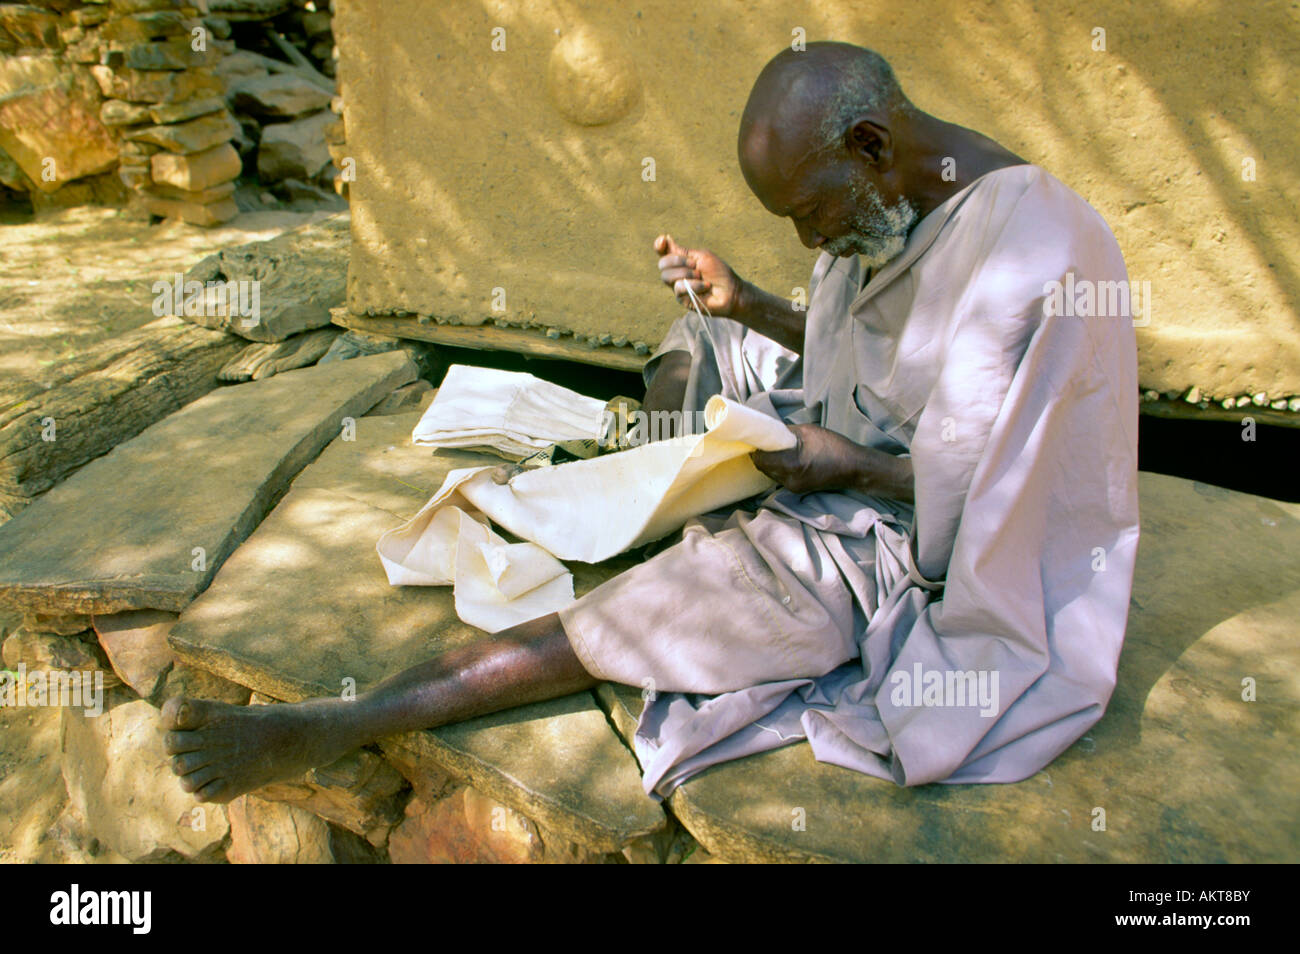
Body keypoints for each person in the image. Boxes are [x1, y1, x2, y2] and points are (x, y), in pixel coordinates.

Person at [163, 41, 1139, 803]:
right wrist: (745, 301)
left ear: (873, 146)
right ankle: (658, 504)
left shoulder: (1037, 252)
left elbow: (1010, 500)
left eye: (809, 214)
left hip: (897, 524)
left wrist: (851, 469)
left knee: (695, 599)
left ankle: (350, 721)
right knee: (694, 336)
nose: (810, 241)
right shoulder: (893, 191)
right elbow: (868, 358)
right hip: (848, 443)